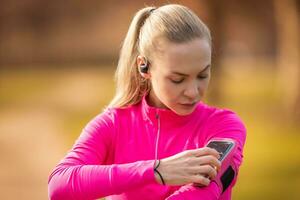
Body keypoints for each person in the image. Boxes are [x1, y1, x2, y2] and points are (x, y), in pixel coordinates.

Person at [48, 4, 246, 200]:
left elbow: (205, 192)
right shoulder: (113, 124)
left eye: (202, 75)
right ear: (144, 67)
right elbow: (60, 186)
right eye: (177, 79)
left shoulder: (224, 126)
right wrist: (156, 170)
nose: (193, 92)